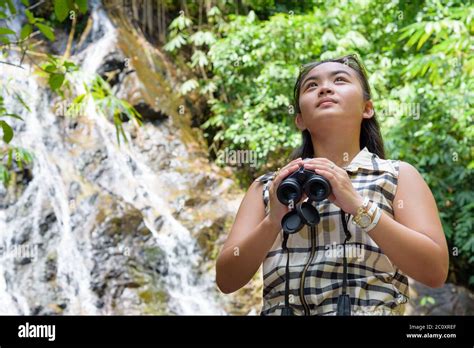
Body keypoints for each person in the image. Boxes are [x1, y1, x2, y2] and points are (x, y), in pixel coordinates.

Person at [215, 54, 449, 316]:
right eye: (311, 86)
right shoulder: (269, 187)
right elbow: (226, 280)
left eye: (339, 80)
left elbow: (434, 272)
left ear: (367, 108)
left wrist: (359, 207)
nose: (325, 88)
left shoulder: (397, 175)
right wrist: (273, 220)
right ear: (300, 119)